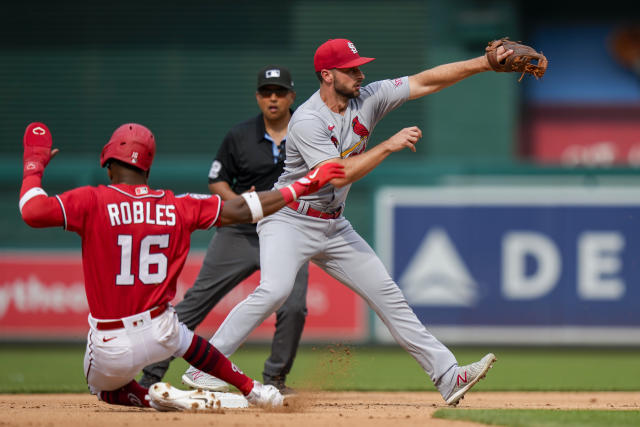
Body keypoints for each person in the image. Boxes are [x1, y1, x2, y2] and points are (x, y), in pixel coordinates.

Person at [183, 38, 516, 406]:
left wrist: (483, 64)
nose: (361, 74)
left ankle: (447, 376)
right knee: (276, 289)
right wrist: (387, 146)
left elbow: (424, 81)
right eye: (351, 69)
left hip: (333, 224)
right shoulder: (307, 120)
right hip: (289, 220)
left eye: (359, 67)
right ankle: (203, 367)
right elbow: (337, 176)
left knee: (388, 296)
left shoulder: (369, 96)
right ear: (327, 75)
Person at [18, 122, 344, 411]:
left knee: (101, 389)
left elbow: (32, 211)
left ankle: (150, 397)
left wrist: (34, 164)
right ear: (148, 167)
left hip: (110, 345)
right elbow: (244, 210)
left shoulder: (91, 200)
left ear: (107, 164)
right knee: (186, 339)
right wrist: (305, 184)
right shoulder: (176, 205)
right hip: (161, 331)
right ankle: (255, 390)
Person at [140, 65, 307, 394]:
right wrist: (240, 206)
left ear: (292, 97)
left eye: (279, 92)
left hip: (290, 232)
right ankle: (150, 375)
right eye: (266, 92)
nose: (272, 98)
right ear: (258, 97)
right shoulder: (240, 135)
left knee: (294, 305)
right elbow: (217, 180)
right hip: (241, 232)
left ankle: (275, 379)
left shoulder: (308, 130)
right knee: (197, 301)